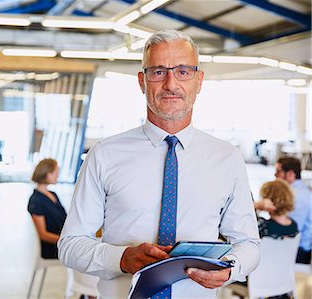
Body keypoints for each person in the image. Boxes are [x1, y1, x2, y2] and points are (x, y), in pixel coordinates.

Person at [58, 30, 260, 298]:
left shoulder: (227, 158)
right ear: (142, 81)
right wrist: (122, 258)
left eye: (183, 71)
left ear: (199, 81)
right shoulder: (104, 154)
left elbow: (248, 244)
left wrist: (230, 269)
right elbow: (70, 245)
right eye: (158, 72)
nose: (171, 84)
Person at [28, 158, 67, 259]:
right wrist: (65, 241)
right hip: (53, 247)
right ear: (47, 173)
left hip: (62, 241)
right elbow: (43, 235)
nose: (58, 175)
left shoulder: (53, 194)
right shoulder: (36, 201)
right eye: (55, 173)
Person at [274, 156, 311, 264]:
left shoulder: (297, 197)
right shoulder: (298, 191)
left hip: (299, 252)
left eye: (278, 171)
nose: (275, 175)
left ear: (290, 174)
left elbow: (290, 230)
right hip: (294, 246)